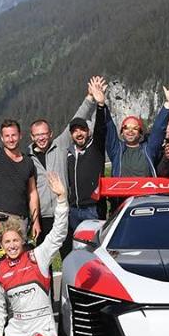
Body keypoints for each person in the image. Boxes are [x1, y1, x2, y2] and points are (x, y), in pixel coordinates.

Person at [0, 171, 68, 336]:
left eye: (15, 240)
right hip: (16, 330)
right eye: (7, 242)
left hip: (42, 327)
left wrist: (61, 199)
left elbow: (58, 233)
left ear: (22, 240)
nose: (11, 245)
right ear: (1, 245)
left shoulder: (37, 257)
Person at [28, 77, 99, 243]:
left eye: (44, 134)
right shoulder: (27, 158)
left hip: (63, 212)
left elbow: (76, 120)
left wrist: (89, 98)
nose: (41, 138)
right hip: (42, 216)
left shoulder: (60, 146)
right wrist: (34, 219)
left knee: (67, 253)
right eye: (37, 135)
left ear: (50, 134)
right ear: (32, 137)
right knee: (43, 261)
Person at [0, 82, 41, 241]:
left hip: (21, 219)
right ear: (2, 138)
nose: (11, 139)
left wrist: (35, 221)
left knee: (19, 261)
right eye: (7, 136)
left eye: (14, 135)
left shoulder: (28, 162)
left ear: (20, 136)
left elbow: (32, 193)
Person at [63, 77, 109, 258]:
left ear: (87, 131)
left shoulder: (96, 147)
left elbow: (101, 129)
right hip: (74, 210)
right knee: (78, 252)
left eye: (82, 129)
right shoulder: (69, 153)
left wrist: (100, 104)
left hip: (93, 209)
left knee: (95, 252)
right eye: (74, 131)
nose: (78, 133)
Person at [105, 79, 169, 177]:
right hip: (122, 192)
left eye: (135, 128)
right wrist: (101, 104)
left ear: (141, 133)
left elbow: (158, 129)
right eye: (126, 127)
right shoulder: (116, 150)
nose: (130, 131)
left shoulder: (149, 149)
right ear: (121, 132)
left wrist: (168, 103)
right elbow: (108, 128)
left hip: (147, 192)